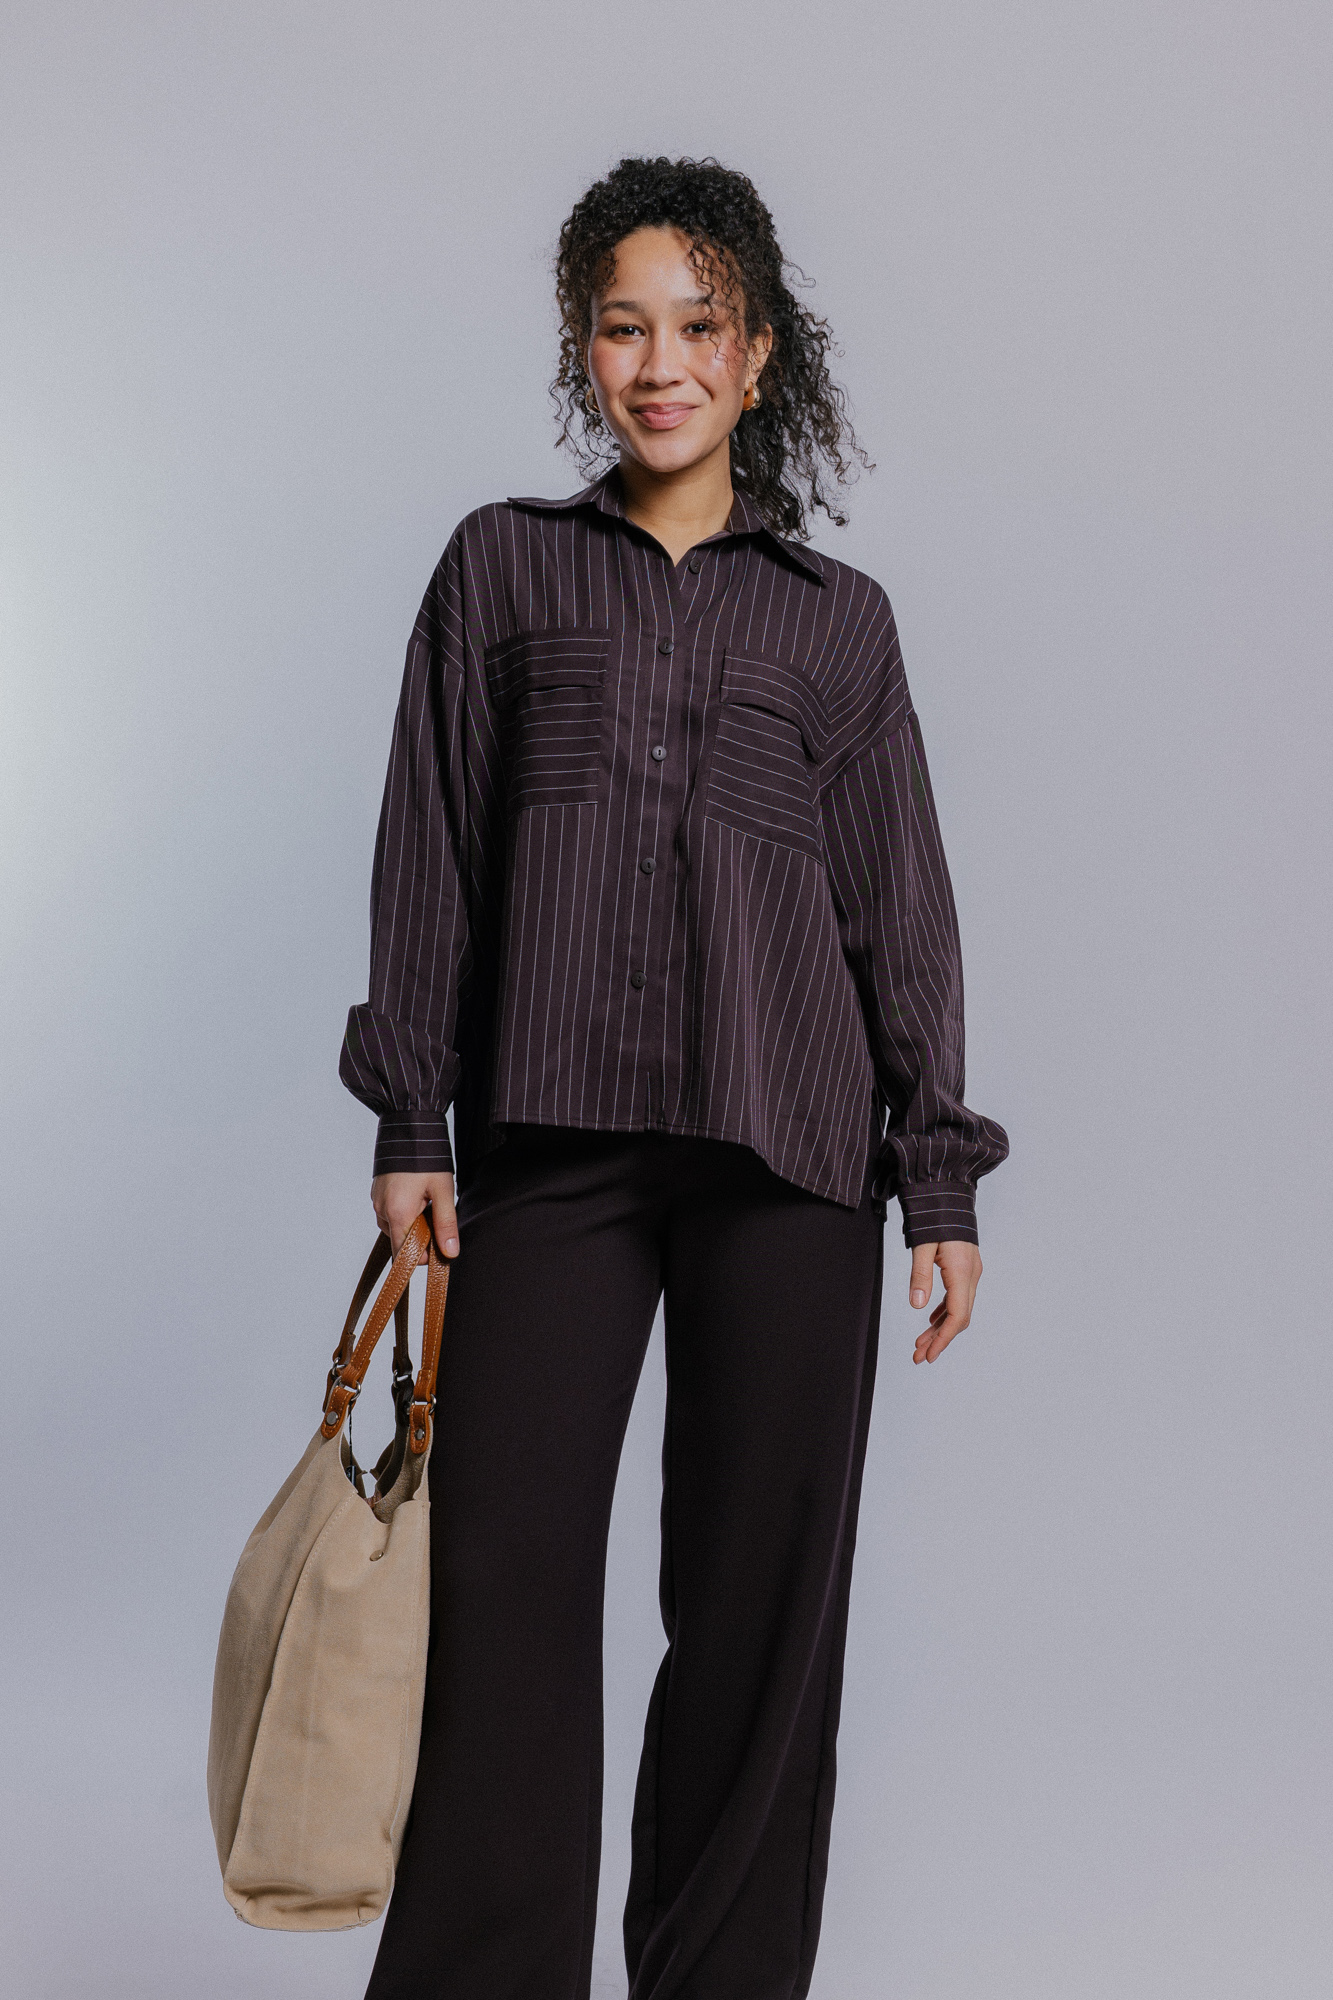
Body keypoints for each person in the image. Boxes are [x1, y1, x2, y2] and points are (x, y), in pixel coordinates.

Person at [340, 154, 1008, 2000]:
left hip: (789, 1157)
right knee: (503, 1592)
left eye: (696, 328)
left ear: (758, 352)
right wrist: (411, 1114)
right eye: (623, 329)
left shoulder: (836, 621)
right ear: (585, 352)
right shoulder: (500, 567)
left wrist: (936, 1177)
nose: (660, 365)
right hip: (547, 1143)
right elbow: (431, 852)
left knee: (755, 1615)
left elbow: (897, 906)